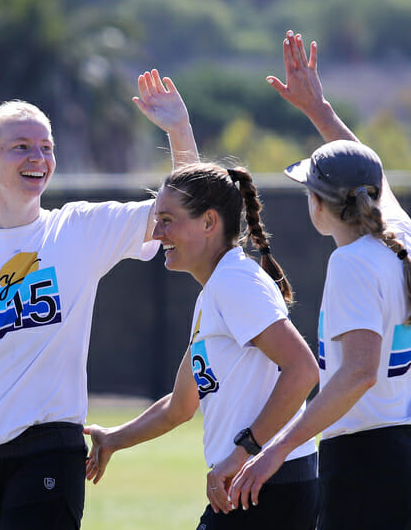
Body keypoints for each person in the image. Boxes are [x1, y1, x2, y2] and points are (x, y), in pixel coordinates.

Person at [0, 69, 198, 529]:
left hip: (48, 448)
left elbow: (182, 212)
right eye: (22, 146)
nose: (39, 157)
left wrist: (178, 129)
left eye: (47, 147)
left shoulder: (76, 229)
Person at [83, 77, 321, 530]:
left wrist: (243, 451)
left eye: (169, 221)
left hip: (270, 486)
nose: (158, 232)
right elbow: (180, 405)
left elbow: (304, 371)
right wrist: (114, 439)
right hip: (256, 484)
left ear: (210, 222)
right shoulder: (216, 288)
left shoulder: (234, 283)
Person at [229, 31, 411, 529]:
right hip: (404, 460)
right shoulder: (404, 239)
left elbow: (359, 372)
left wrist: (277, 448)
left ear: (318, 205)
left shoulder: (352, 262)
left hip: (364, 470)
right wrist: (318, 109)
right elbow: (369, 172)